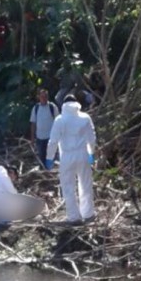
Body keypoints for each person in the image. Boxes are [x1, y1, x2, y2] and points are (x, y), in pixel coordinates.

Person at [45, 94, 97, 225]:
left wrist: (49, 158)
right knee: (85, 184)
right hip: (83, 154)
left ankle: (74, 217)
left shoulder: (60, 120)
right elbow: (92, 138)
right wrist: (92, 153)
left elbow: (53, 141)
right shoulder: (85, 118)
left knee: (68, 186)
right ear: (77, 104)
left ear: (63, 105)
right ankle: (88, 213)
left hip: (67, 156)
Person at [30, 89, 59, 167]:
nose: (44, 98)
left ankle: (52, 173)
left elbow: (58, 122)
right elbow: (33, 123)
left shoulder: (52, 107)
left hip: (51, 138)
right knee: (42, 158)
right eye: (42, 97)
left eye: (45, 96)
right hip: (40, 138)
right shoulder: (36, 108)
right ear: (39, 97)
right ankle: (44, 172)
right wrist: (32, 138)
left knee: (51, 158)